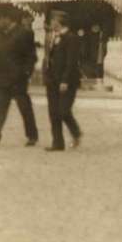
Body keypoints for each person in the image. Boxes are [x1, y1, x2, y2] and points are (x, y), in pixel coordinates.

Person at [0, 8, 39, 147]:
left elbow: (31, 57)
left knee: (25, 109)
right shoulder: (1, 34)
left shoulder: (24, 33)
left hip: (18, 79)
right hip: (1, 78)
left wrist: (25, 74)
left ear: (8, 19)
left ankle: (32, 135)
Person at [43, 10, 82, 151]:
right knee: (53, 112)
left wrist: (65, 80)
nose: (51, 23)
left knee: (63, 111)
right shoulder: (53, 36)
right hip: (52, 80)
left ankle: (76, 132)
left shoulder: (72, 38)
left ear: (60, 22)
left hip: (67, 81)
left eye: (53, 20)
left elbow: (71, 62)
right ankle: (57, 143)